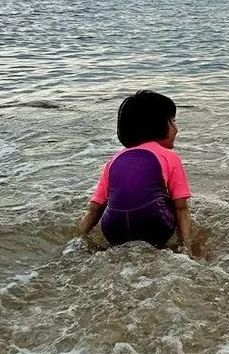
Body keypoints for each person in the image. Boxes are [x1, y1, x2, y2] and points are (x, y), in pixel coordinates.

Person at [75, 90, 201, 257]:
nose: (177, 128)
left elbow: (94, 210)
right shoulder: (170, 156)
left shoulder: (114, 159)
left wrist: (78, 238)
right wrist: (187, 246)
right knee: (169, 200)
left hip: (113, 230)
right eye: (173, 121)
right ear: (158, 124)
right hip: (155, 226)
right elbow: (181, 209)